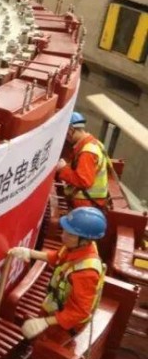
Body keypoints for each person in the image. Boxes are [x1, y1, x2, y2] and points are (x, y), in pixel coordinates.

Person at [9, 206, 106, 341]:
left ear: (84, 241)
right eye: (65, 230)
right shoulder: (76, 248)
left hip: (65, 324)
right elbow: (57, 257)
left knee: (46, 345)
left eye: (70, 234)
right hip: (56, 307)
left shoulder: (86, 273)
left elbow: (79, 312)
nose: (63, 236)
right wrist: (29, 253)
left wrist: (45, 322)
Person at [56, 111, 110, 210]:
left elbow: (84, 182)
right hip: (91, 201)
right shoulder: (95, 143)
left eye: (65, 133)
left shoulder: (87, 152)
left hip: (86, 203)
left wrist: (63, 169)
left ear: (71, 129)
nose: (66, 138)